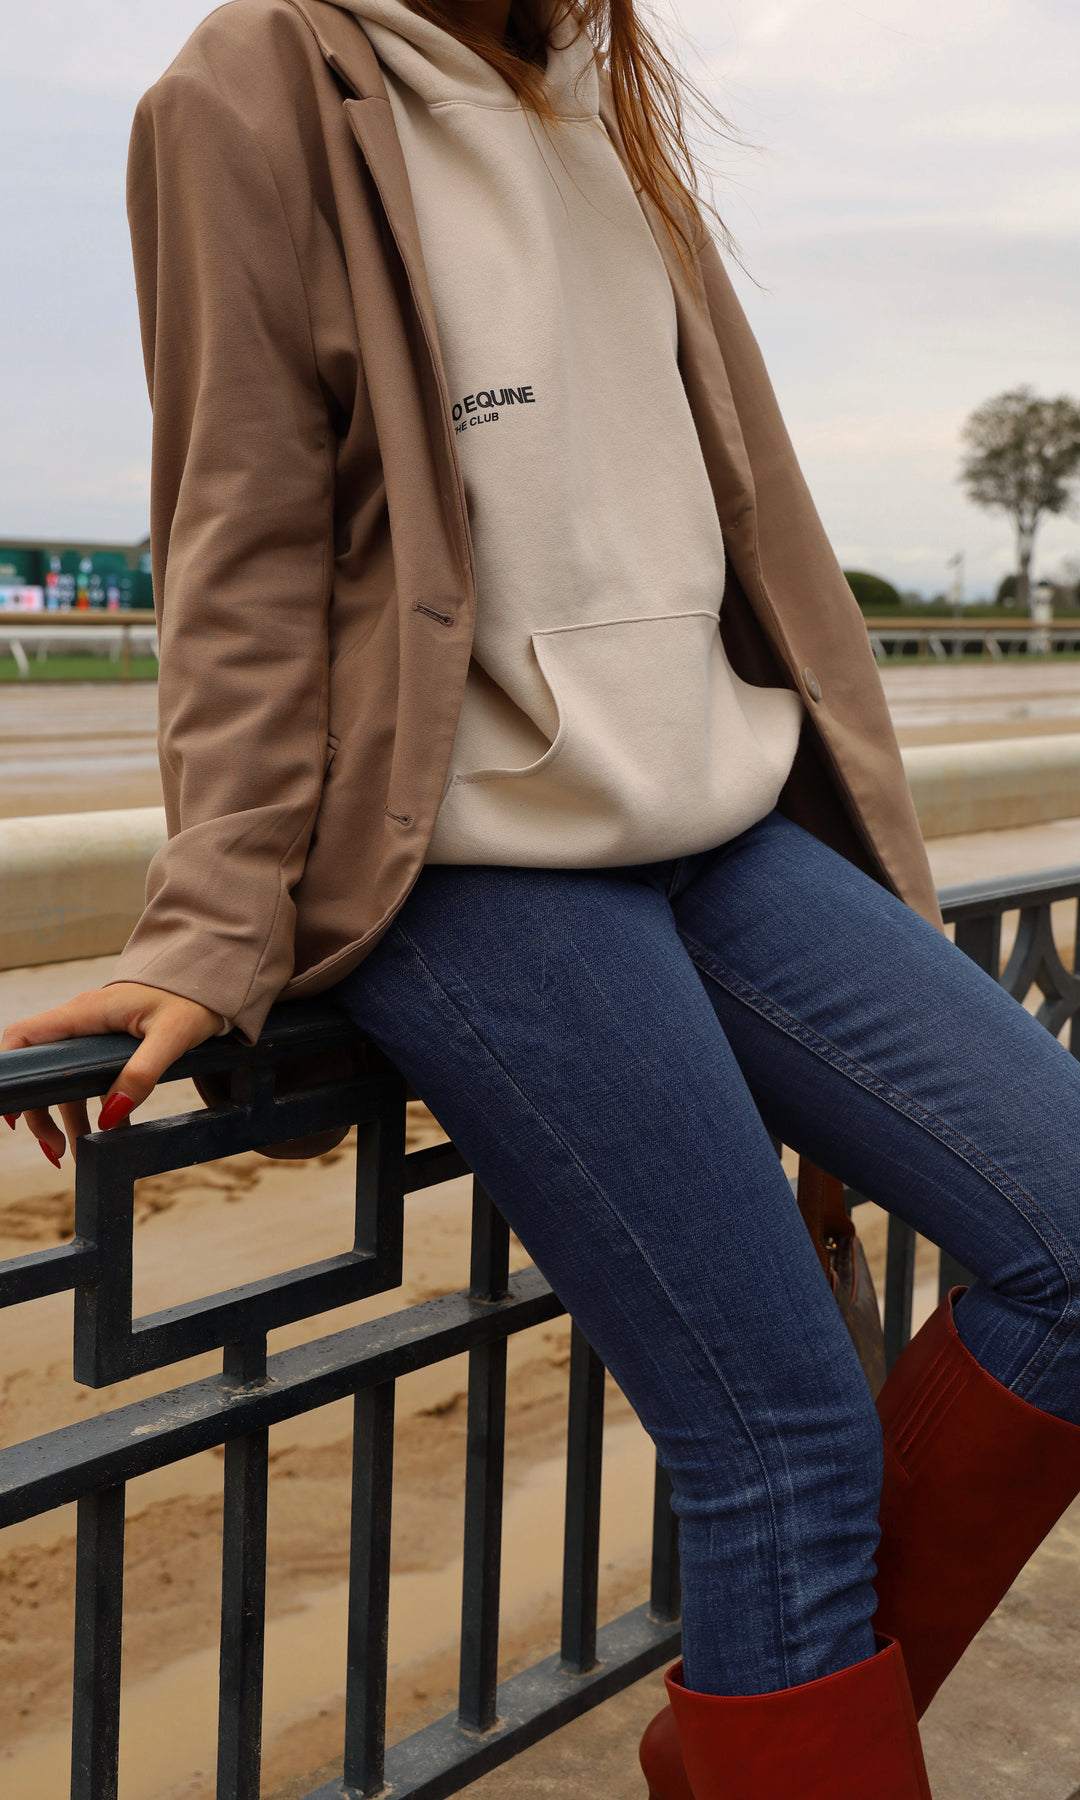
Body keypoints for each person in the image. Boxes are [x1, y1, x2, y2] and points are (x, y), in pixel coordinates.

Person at [4, 1, 1080, 1793]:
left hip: (721, 818)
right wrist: (210, 918)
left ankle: (779, 1737)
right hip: (477, 860)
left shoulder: (605, 100)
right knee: (787, 1446)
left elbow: (730, 513)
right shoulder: (257, 80)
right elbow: (241, 526)